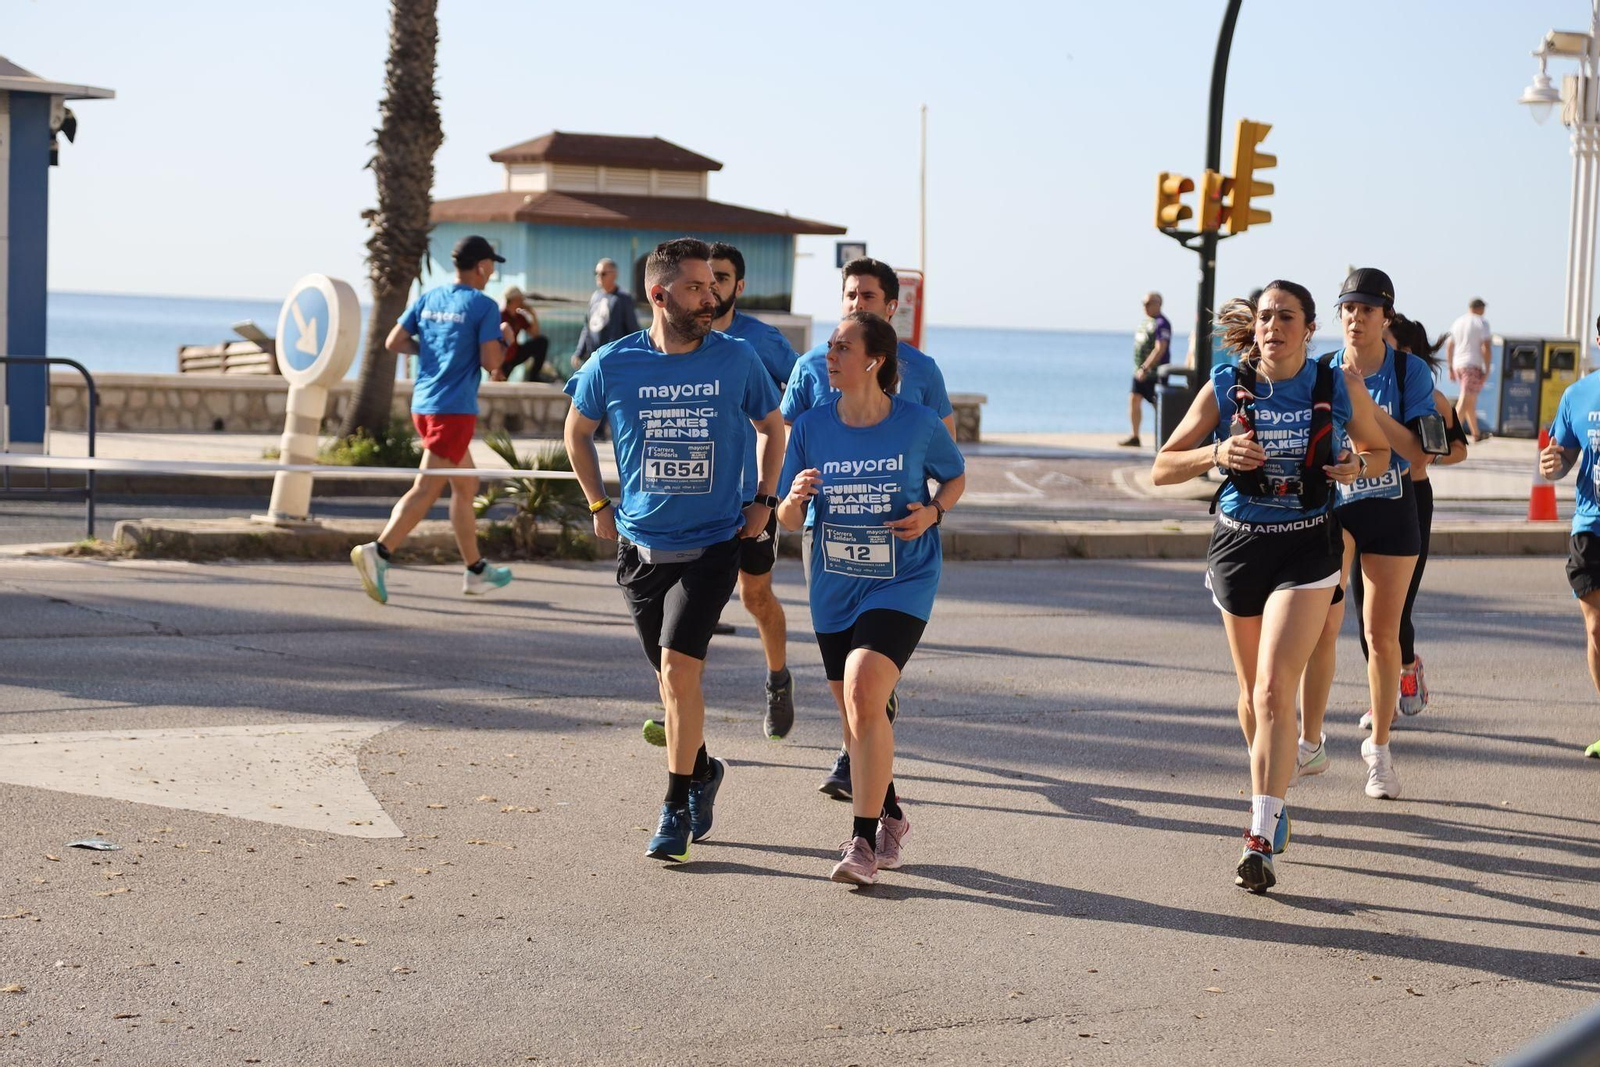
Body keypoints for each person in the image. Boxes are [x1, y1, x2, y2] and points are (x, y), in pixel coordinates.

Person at [1152, 281, 1388, 893]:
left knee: (1274, 688)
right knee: (1252, 697)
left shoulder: (1336, 382)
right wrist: (1217, 452)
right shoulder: (1227, 384)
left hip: (1308, 542)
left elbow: (1381, 453)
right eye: (1264, 316)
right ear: (1253, 326)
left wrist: (1355, 467)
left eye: (1287, 316)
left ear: (1310, 328)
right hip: (1238, 544)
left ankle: (1261, 832)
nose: (1273, 325)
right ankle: (1274, 786)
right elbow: (1161, 467)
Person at [563, 237, 785, 863]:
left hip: (715, 541)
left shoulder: (737, 360)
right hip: (640, 546)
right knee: (669, 684)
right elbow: (576, 432)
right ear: (660, 296)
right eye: (695, 288)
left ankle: (672, 809)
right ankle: (704, 769)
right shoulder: (613, 363)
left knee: (678, 672)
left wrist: (764, 500)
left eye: (713, 287)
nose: (710, 297)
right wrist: (599, 505)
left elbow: (773, 428)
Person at [777, 311, 966, 885]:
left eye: (841, 347)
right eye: (829, 346)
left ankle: (861, 843)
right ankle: (892, 815)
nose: (828, 356)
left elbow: (954, 477)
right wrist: (795, 497)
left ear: (874, 360)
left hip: (902, 579)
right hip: (834, 582)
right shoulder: (810, 425)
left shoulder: (919, 423)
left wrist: (932, 512)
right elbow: (787, 519)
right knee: (854, 709)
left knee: (862, 687)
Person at [1298, 268, 1434, 803]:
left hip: (1393, 507)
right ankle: (1311, 742)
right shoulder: (1322, 370)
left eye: (1368, 310)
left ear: (1387, 317)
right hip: (1338, 508)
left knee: (1382, 636)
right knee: (1323, 625)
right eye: (1348, 310)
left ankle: (1378, 751)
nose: (1356, 319)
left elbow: (1419, 454)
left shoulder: (1409, 371)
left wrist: (1369, 410)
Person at [350, 234, 514, 604]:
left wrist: (434, 354)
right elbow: (492, 363)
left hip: (424, 404)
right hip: (454, 409)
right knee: (427, 487)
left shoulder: (429, 298)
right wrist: (505, 337)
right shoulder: (484, 306)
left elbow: (394, 341)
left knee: (466, 486)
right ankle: (380, 550)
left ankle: (475, 571)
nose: (490, 275)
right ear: (482, 267)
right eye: (491, 268)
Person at [1344, 314, 1469, 728]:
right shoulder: (1357, 382)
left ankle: (1408, 667)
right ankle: (1381, 696)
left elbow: (1455, 451)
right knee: (1364, 611)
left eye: (1389, 341)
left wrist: (1428, 452)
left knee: (1397, 611)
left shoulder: (1430, 398)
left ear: (1406, 352)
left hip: (1411, 500)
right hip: (1361, 497)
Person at [1540, 314, 1600, 758]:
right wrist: (1553, 466)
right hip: (1590, 528)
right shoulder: (1577, 395)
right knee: (1597, 630)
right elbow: (1561, 459)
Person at [1120, 291, 1172, 447]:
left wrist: (1145, 367)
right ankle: (1135, 436)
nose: (1145, 306)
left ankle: (1165, 437)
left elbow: (1160, 348)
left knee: (1159, 405)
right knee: (1134, 398)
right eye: (1143, 303)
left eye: (1148, 303)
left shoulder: (1162, 323)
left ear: (1158, 304)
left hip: (1154, 373)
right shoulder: (1145, 323)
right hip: (1139, 372)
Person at [572, 258, 642, 369]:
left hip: (615, 360)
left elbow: (633, 330)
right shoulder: (595, 297)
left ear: (614, 275)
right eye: (596, 273)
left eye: (603, 273)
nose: (598, 276)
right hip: (594, 359)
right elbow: (587, 328)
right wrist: (579, 352)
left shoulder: (623, 299)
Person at [1446, 297, 1493, 442]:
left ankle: (1476, 433)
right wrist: (1487, 367)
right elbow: (1486, 347)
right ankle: (1451, 435)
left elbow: (1449, 346)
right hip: (1472, 364)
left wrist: (1450, 367)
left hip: (1458, 364)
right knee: (1465, 399)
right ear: (1479, 308)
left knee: (1471, 399)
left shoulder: (1458, 322)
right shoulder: (1481, 322)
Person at [495, 287, 548, 383]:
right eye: (520, 299)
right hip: (502, 358)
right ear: (514, 300)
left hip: (514, 353)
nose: (523, 302)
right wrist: (496, 366)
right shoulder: (500, 315)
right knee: (499, 383)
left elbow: (535, 334)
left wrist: (532, 314)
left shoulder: (518, 317)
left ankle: (534, 377)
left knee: (542, 342)